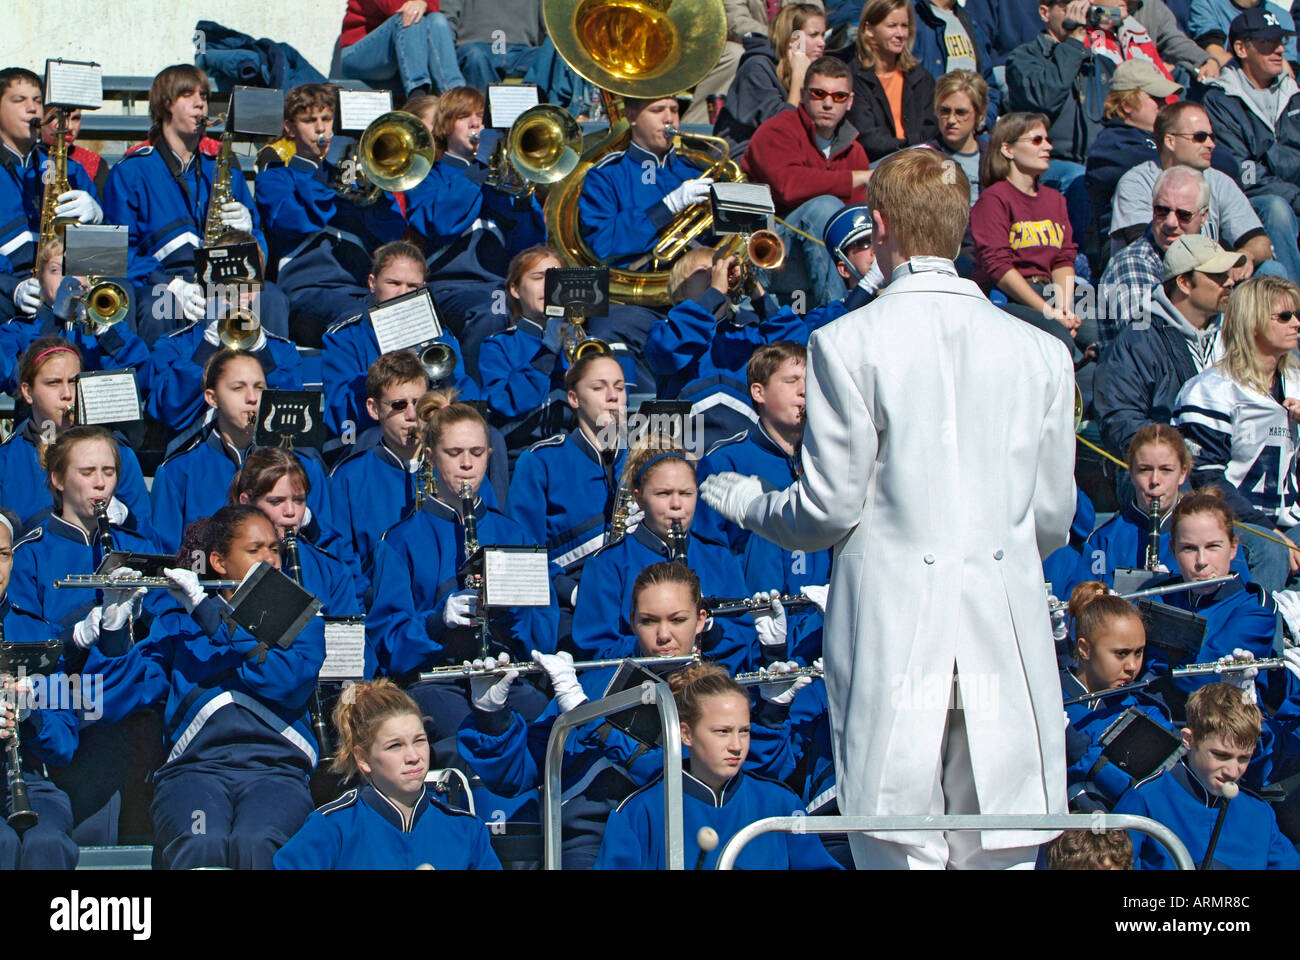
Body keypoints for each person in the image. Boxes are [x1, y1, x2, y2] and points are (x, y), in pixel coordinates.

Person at [700, 148, 1077, 869]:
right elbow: (1052, 518)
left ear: (880, 227)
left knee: (899, 845)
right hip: (1004, 617)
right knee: (1001, 844)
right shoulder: (1040, 353)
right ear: (963, 227)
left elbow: (827, 508)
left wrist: (753, 503)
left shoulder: (847, 342)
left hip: (896, 623)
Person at [84, 506, 325, 869]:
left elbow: (284, 681)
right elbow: (107, 700)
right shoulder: (180, 626)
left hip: (276, 772)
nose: (271, 560)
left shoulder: (302, 621)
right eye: (255, 549)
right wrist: (114, 632)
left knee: (257, 841)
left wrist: (210, 614)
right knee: (202, 841)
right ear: (219, 562)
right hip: (195, 773)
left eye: (274, 549)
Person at [364, 389, 556, 739]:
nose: (467, 464)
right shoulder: (401, 540)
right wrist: (437, 622)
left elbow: (544, 633)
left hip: (506, 674)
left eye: (476, 453)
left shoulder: (514, 535)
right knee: (462, 737)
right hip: (437, 681)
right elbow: (387, 643)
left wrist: (513, 611)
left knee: (548, 730)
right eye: (454, 453)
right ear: (431, 458)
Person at [595, 660, 840, 869]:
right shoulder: (640, 811)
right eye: (722, 732)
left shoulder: (781, 802)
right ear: (686, 734)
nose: (736, 745)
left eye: (744, 731)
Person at [101, 65, 265, 344]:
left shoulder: (224, 167)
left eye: (203, 95)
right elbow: (116, 254)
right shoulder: (130, 172)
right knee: (158, 309)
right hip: (162, 284)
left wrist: (249, 235)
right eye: (187, 95)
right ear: (165, 104)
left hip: (225, 283)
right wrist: (170, 284)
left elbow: (259, 241)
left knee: (272, 300)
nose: (200, 102)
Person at [696, 341, 832, 664]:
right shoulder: (725, 460)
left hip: (821, 629)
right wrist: (742, 631)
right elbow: (711, 552)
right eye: (791, 381)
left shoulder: (829, 460)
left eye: (809, 381)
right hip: (756, 633)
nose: (805, 391)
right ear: (758, 392)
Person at [572, 445, 761, 675]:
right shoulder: (607, 564)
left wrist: (710, 631)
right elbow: (594, 651)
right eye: (663, 494)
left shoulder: (720, 559)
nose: (676, 505)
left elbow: (745, 639)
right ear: (639, 499)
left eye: (686, 494)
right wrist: (658, 644)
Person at [275, 678, 500, 869]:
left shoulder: (467, 830)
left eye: (419, 741)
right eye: (395, 746)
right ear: (363, 759)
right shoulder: (332, 827)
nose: (413, 756)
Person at [254, 83, 407, 346]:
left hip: (359, 289)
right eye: (309, 120)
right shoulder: (276, 177)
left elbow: (391, 232)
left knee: (418, 317)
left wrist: (377, 191)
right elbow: (290, 222)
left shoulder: (359, 178)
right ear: (290, 128)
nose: (320, 128)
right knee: (360, 319)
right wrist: (329, 170)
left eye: (327, 119)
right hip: (306, 291)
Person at [149, 350, 337, 555]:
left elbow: (332, 551)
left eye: (259, 387)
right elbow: (164, 556)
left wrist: (309, 526)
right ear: (212, 398)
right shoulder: (178, 472)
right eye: (238, 388)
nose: (252, 398)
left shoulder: (304, 467)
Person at [1174, 275, 1300, 569]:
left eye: (1296, 315)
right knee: (1271, 551)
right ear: (1252, 322)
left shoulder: (1295, 383)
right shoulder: (1211, 390)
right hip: (1232, 519)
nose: (1296, 323)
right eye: (1284, 316)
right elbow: (1207, 480)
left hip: (1288, 516)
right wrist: (1269, 531)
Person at [403, 86, 546, 337]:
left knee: (570, 311)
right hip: (452, 286)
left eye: (482, 117)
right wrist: (479, 167)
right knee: (494, 312)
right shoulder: (426, 175)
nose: (476, 124)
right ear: (445, 126)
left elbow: (530, 248)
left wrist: (522, 198)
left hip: (503, 285)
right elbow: (440, 223)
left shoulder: (506, 177)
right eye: (463, 116)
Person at [1114, 681, 1300, 868]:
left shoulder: (1260, 813)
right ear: (1188, 740)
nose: (1232, 771)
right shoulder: (1147, 798)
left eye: (1243, 759)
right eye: (1220, 755)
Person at [506, 352, 628, 637]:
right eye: (598, 388)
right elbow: (524, 551)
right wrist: (572, 593)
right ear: (573, 398)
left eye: (620, 388)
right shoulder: (541, 462)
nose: (613, 397)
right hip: (568, 608)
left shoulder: (643, 458)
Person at [478, 245, 636, 460]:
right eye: (538, 277)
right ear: (515, 289)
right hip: (523, 454)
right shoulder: (499, 345)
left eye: (556, 279)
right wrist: (548, 350)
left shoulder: (589, 344)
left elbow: (617, 410)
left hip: (583, 454)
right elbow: (504, 404)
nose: (549, 287)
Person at [1093, 235, 1241, 460]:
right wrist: (1182, 452)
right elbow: (1120, 422)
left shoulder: (1237, 335)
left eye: (1228, 274)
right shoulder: (1138, 341)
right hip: (1168, 476)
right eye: (1217, 275)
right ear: (1184, 283)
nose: (1229, 281)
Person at [647, 247, 810, 451]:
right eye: (703, 270)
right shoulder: (665, 331)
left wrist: (754, 289)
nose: (715, 274)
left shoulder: (747, 338)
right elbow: (666, 349)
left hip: (746, 457)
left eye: (718, 269)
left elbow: (796, 347)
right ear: (680, 289)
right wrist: (713, 293)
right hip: (684, 456)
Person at [742, 55, 873, 306]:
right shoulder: (777, 130)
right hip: (772, 255)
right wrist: (854, 178)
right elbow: (788, 186)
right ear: (803, 94)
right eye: (818, 93)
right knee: (824, 208)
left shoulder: (855, 150)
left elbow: (855, 221)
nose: (827, 103)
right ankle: (837, 313)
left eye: (838, 97)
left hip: (827, 255)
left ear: (850, 102)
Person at [7, 426, 156, 638]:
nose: (101, 484)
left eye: (109, 472)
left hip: (131, 670)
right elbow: (25, 642)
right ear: (58, 479)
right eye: (87, 472)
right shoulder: (29, 556)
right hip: (68, 672)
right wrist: (76, 636)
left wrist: (145, 618)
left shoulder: (139, 547)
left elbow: (162, 634)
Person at [320, 240, 478, 440]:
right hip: (371, 436)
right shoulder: (344, 337)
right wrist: (383, 372)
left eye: (412, 286)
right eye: (393, 283)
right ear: (372, 283)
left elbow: (464, 393)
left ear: (424, 288)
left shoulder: (441, 336)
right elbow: (338, 413)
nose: (403, 293)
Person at [1110, 101, 1283, 282]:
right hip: (1153, 280)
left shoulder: (1220, 182)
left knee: (1271, 270)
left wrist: (1246, 255)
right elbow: (1151, 249)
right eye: (1200, 137)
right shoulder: (1136, 183)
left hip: (1207, 280)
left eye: (1211, 136)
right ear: (1170, 141)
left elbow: (1260, 242)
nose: (1211, 144)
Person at [0, 339, 153, 536]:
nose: (67, 394)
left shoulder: (118, 453)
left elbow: (149, 541)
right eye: (53, 383)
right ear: (27, 392)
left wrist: (128, 520)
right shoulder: (5, 460)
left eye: (73, 382)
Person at [0, 506, 82, 869]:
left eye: (2, 555)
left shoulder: (37, 632)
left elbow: (65, 745)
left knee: (47, 843)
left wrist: (33, 711)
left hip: (30, 783)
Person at [1006, 1, 1117, 247]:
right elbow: (1045, 97)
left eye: (1083, 6)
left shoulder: (1098, 63)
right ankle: (1078, 257)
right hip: (1044, 164)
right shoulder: (1024, 57)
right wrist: (1075, 44)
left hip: (1092, 162)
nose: (1078, 13)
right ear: (1045, 12)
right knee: (1077, 179)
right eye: (1069, 7)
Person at [1147, 491, 1279, 698]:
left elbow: (1200, 681)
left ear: (1233, 547)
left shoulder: (1256, 608)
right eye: (1189, 549)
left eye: (1213, 547)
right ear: (1173, 550)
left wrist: (1160, 667)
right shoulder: (1158, 597)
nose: (1201, 561)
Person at [970, 112, 1083, 352]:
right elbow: (998, 266)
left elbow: (1064, 258)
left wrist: (1063, 308)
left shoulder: (1055, 199)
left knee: (1100, 333)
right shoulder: (993, 199)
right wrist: (1049, 312)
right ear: (1008, 149)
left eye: (1047, 140)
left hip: (1052, 290)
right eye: (1036, 140)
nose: (1048, 146)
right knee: (1059, 339)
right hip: (1009, 296)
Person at [1061, 582, 1179, 810]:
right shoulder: (1047, 697)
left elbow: (1156, 793)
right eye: (1121, 654)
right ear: (1084, 648)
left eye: (1139, 652)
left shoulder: (1148, 713)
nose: (1132, 666)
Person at [0, 68, 103, 324]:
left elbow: (107, 260)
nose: (33, 109)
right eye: (19, 100)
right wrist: (12, 288)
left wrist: (98, 221)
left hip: (62, 289)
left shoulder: (72, 170)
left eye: (37, 101)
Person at [1202, 8, 1300, 275]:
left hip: (1293, 190)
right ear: (1241, 49)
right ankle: (1293, 305)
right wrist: (1296, 196)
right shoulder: (1221, 100)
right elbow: (1243, 172)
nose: (1279, 50)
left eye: (1281, 41)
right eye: (1267, 43)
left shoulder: (1293, 92)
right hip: (1254, 200)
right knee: (1277, 209)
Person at [329, 350, 430, 588]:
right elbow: (342, 562)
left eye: (419, 403)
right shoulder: (348, 478)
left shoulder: (453, 466)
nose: (412, 415)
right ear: (374, 409)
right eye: (399, 405)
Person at [0, 238, 149, 396]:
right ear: (40, 278)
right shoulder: (19, 330)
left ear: (89, 280)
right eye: (55, 270)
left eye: (75, 269)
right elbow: (10, 380)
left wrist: (106, 334)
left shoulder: (112, 330)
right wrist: (52, 322)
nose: (67, 279)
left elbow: (142, 380)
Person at [228, 447, 362, 616]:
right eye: (276, 501)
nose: (290, 511)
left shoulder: (332, 571)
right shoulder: (221, 563)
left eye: (299, 500)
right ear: (246, 502)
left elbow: (347, 640)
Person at [1098, 164, 1218, 345]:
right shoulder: (1132, 263)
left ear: (1203, 216)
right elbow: (1146, 342)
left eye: (1183, 215)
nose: (1170, 222)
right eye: (1161, 210)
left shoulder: (1212, 256)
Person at [1085, 60, 1182, 249]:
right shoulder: (1110, 147)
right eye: (1156, 97)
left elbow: (1228, 162)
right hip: (1125, 250)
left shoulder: (1161, 139)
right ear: (1126, 105)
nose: (1164, 105)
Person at [713, 3, 828, 159]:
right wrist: (798, 76)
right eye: (814, 35)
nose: (822, 43)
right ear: (793, 40)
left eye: (823, 35)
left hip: (784, 155)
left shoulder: (813, 71)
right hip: (741, 158)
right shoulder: (756, 69)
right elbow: (784, 130)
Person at [845, 0, 939, 162]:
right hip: (876, 166)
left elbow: (932, 126)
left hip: (920, 163)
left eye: (904, 26)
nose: (900, 33)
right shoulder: (854, 78)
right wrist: (910, 145)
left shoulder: (920, 77)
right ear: (869, 29)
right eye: (892, 26)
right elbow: (867, 137)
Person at [337, 0, 466, 98]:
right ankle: (417, 96)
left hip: (396, 56)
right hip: (358, 56)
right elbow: (394, 6)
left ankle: (455, 94)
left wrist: (423, 2)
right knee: (409, 17)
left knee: (437, 19)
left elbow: (435, 7)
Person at [912, 0, 1002, 133]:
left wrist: (984, 120)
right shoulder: (914, 17)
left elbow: (988, 84)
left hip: (972, 134)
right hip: (933, 135)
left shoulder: (968, 19)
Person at [926, 69, 989, 208]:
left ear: (980, 114)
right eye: (944, 111)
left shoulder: (995, 158)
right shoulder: (925, 157)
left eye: (961, 112)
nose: (951, 120)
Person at [1191, 0, 1298, 68]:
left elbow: (1289, 71)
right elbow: (1218, 58)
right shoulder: (1207, 4)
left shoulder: (1282, 16)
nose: (1279, 50)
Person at [39, 103, 108, 195]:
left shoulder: (96, 163)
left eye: (76, 118)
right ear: (41, 118)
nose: (69, 126)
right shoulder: (26, 159)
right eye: (58, 117)